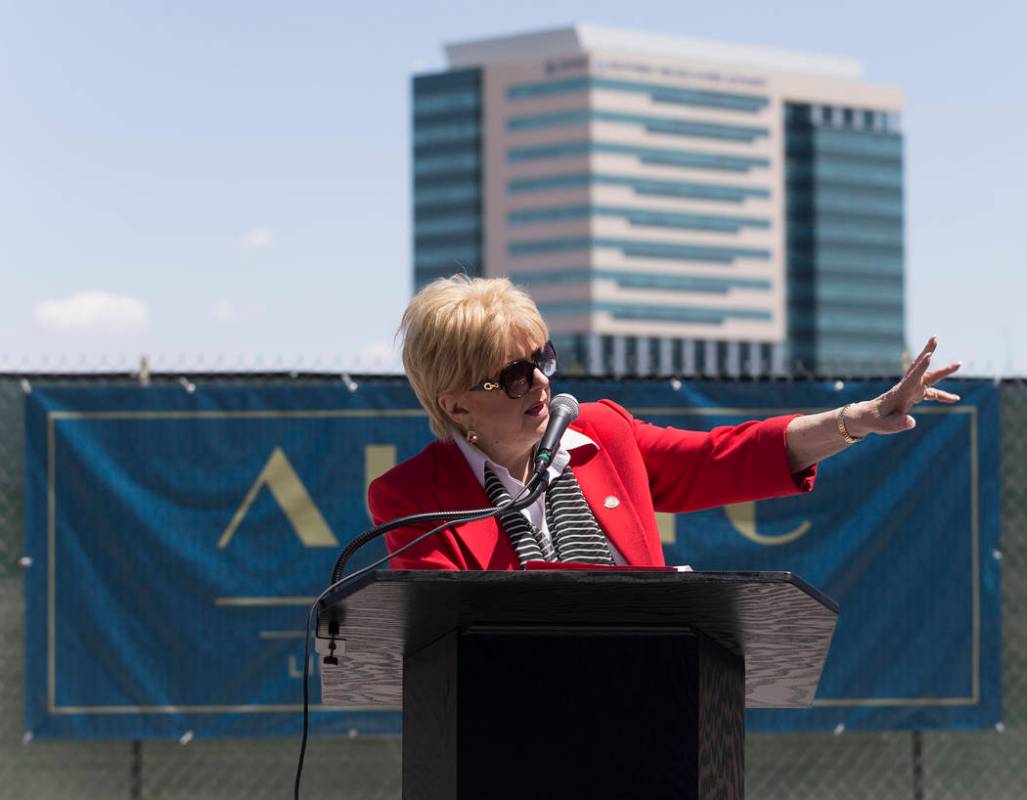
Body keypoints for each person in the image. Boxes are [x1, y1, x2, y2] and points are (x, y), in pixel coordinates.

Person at [368, 275, 960, 570]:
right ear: (456, 405)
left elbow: (720, 458)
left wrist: (856, 418)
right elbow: (448, 638)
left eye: (542, 359)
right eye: (514, 376)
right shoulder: (412, 498)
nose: (543, 382)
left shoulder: (602, 433)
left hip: (650, 706)